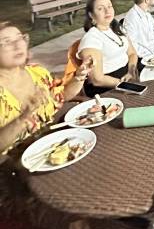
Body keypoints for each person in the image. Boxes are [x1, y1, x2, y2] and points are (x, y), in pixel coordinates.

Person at [0, 22, 92, 152]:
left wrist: (79, 76)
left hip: (55, 146)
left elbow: (62, 96)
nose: (17, 45)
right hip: (16, 159)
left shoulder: (37, 72)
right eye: (7, 42)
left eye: (20, 38)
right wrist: (23, 117)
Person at [77, 0, 138, 98]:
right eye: (100, 8)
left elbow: (132, 53)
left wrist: (131, 72)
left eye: (109, 6)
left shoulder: (116, 28)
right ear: (91, 15)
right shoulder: (92, 38)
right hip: (106, 87)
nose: (107, 10)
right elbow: (97, 79)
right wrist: (127, 85)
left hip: (127, 76)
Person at [123, 0, 154, 70]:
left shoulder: (147, 13)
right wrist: (151, 55)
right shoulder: (131, 18)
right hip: (146, 58)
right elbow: (132, 46)